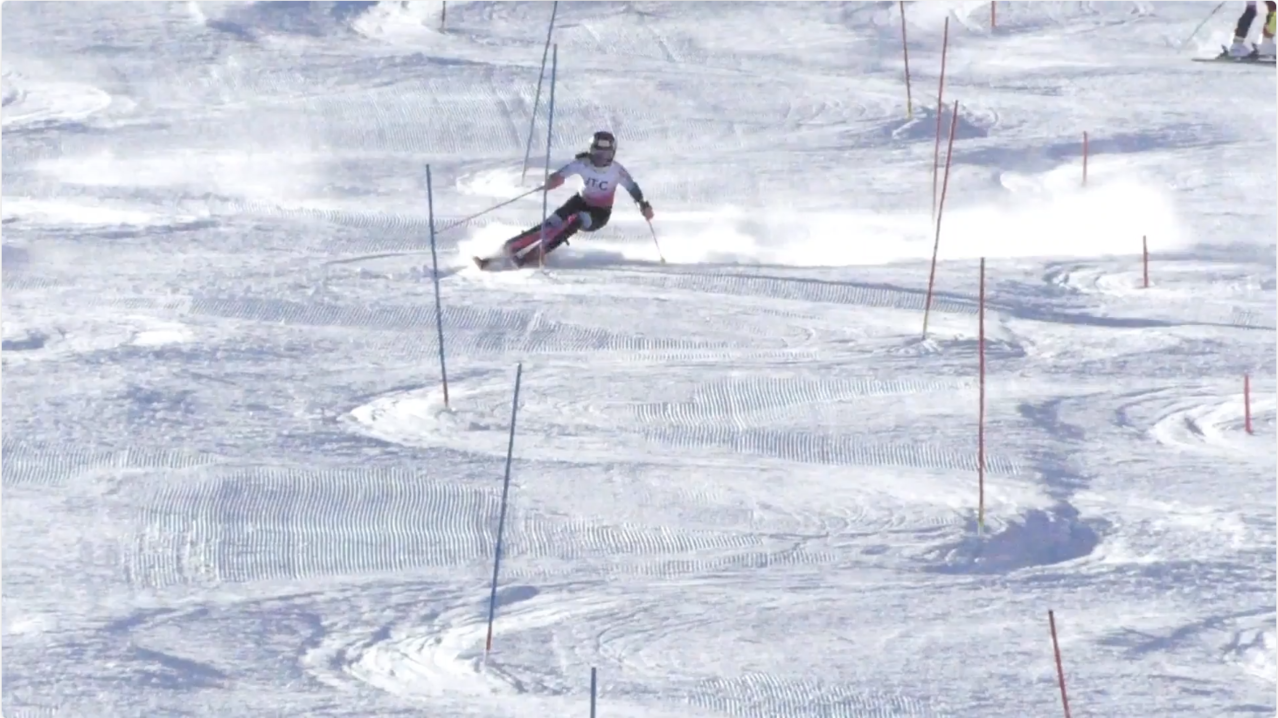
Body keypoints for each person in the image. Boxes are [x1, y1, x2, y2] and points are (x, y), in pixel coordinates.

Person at [476, 131, 655, 269]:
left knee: (576, 220)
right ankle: (507, 249)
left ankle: (535, 255)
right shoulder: (582, 163)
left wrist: (643, 205)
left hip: (599, 213)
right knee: (552, 223)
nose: (600, 159)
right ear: (591, 151)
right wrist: (553, 181)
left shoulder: (617, 171)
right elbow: (561, 175)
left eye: (605, 155)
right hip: (579, 201)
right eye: (597, 154)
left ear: (612, 154)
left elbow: (633, 188)